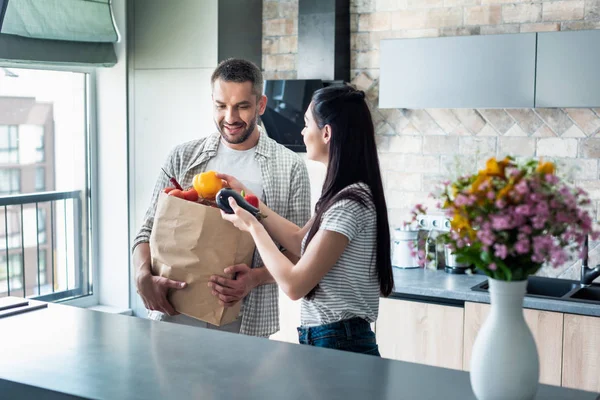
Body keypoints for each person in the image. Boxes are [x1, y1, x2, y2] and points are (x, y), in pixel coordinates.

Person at [132, 58, 311, 337]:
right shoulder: (183, 157)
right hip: (173, 316)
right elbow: (147, 229)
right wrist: (142, 274)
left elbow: (299, 251)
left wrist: (253, 279)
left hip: (247, 322)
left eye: (242, 106)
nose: (230, 117)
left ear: (261, 105)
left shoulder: (289, 167)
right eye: (221, 106)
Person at [217, 85, 394, 355]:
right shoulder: (343, 194)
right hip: (334, 338)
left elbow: (294, 285)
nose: (302, 132)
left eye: (306, 123)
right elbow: (300, 241)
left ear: (326, 133)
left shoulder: (349, 203)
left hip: (339, 341)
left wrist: (252, 227)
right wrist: (249, 199)